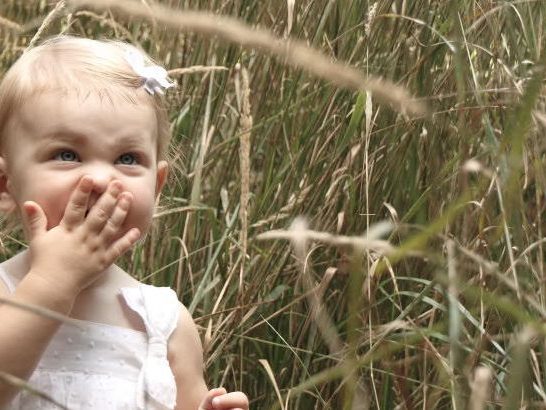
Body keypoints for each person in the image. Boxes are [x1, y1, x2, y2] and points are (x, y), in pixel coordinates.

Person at [0, 35, 249, 410]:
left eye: (127, 159)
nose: (101, 179)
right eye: (67, 154)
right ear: (6, 185)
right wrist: (52, 283)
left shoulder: (163, 322)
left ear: (157, 185)